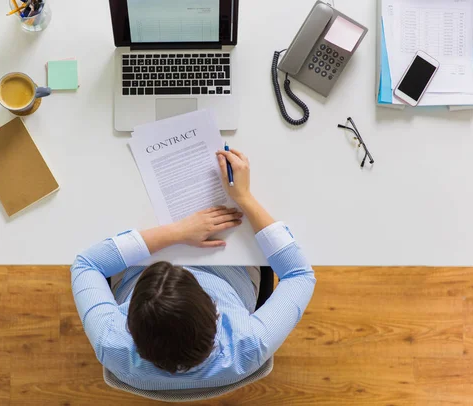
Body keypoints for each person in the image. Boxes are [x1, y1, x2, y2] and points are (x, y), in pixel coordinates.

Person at [71, 148, 316, 390]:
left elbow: (87, 264)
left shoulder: (111, 343)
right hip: (229, 269)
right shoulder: (250, 343)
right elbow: (299, 274)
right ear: (214, 312)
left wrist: (176, 232)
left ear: (128, 326)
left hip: (148, 252)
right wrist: (243, 197)